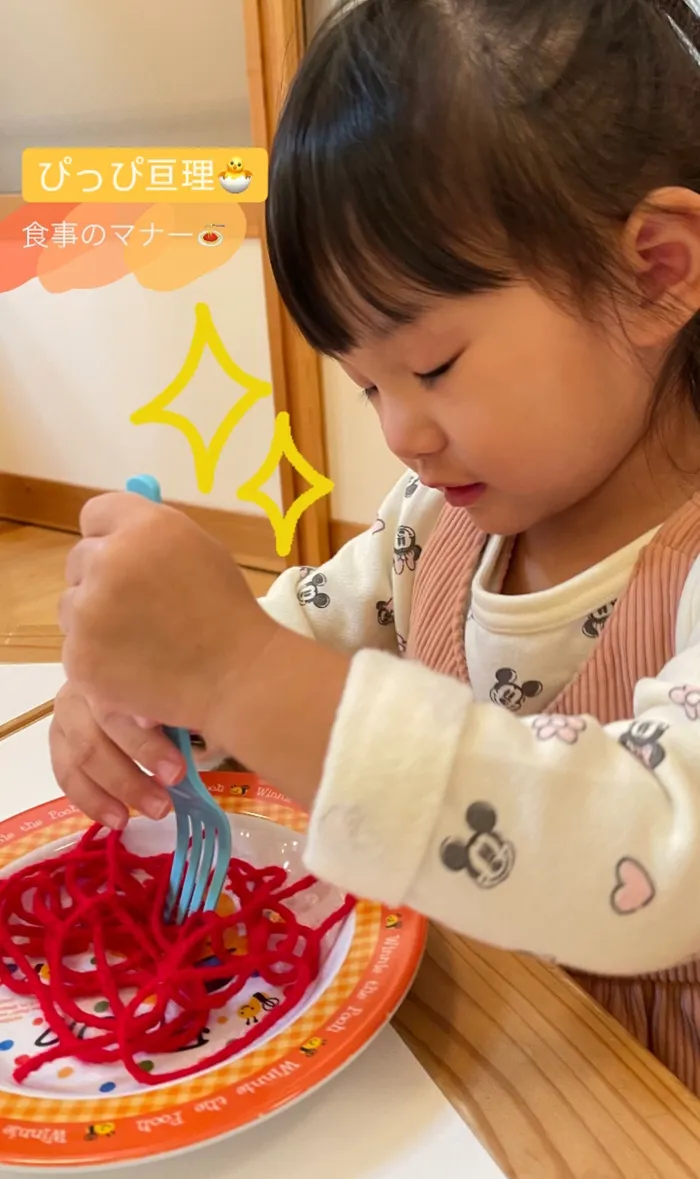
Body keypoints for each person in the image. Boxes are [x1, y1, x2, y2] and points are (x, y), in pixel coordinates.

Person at [52, 0, 700, 1093]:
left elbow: (649, 850)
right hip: (466, 1042)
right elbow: (295, 634)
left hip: (639, 1103)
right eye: (365, 382)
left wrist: (237, 671)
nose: (399, 431)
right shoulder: (434, 522)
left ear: (655, 271)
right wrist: (157, 697)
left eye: (434, 366)